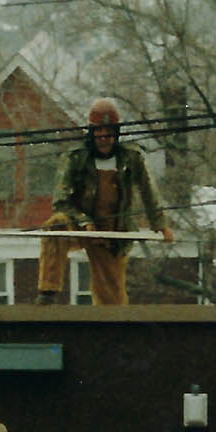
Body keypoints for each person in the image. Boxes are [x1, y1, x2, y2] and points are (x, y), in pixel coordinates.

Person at [35, 98, 175, 305]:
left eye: (109, 134)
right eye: (99, 133)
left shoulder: (131, 157)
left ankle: (112, 331)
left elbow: (148, 190)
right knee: (56, 227)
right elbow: (61, 201)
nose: (104, 139)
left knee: (112, 300)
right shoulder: (75, 158)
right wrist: (84, 222)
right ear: (91, 133)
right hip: (79, 223)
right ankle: (47, 293)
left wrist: (160, 224)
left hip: (113, 232)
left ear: (117, 134)